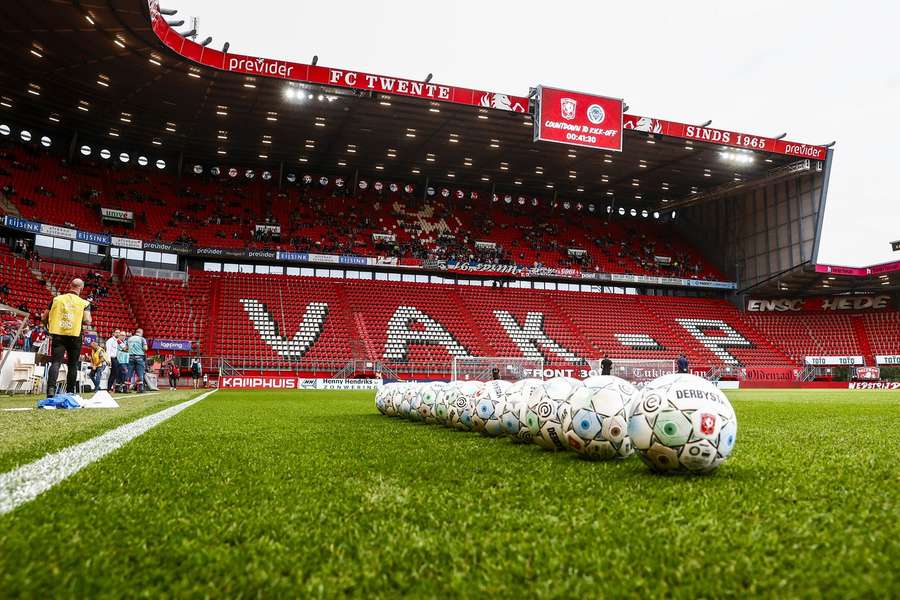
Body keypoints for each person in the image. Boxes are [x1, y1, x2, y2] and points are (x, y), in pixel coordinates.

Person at [42, 278, 92, 397]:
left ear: (70, 285)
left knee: (56, 363)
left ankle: (51, 390)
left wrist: (48, 327)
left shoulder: (56, 299)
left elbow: (44, 317)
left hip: (58, 335)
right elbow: (87, 320)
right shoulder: (84, 303)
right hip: (75, 335)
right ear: (81, 288)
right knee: (73, 364)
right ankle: (70, 392)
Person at [127, 328, 148, 393]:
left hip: (130, 357)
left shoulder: (129, 339)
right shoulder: (142, 339)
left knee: (129, 373)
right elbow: (145, 348)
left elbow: (126, 348)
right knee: (140, 373)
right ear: (141, 333)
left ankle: (126, 388)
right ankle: (140, 389)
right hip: (139, 357)